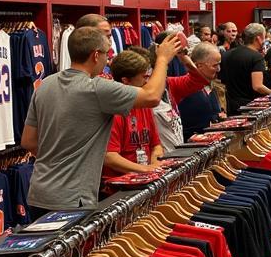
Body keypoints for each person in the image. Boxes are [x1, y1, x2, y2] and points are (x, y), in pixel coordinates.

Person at [20, 28, 182, 215]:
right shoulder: (96, 88)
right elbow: (152, 96)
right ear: (96, 55)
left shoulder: (45, 85)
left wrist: (58, 160)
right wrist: (162, 59)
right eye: (107, 53)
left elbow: (28, 141)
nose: (109, 59)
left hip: (39, 192)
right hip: (73, 198)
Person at [149, 32, 214, 151]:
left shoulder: (169, 84)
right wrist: (162, 58)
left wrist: (183, 56)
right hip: (158, 157)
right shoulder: (143, 91)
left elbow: (199, 80)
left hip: (175, 153)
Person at [103, 49, 164, 175]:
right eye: (143, 77)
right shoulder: (114, 111)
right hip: (118, 189)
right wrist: (145, 170)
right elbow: (109, 157)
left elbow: (156, 146)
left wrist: (154, 164)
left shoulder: (144, 106)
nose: (146, 82)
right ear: (126, 81)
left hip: (145, 181)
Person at [221, 23, 271, 112]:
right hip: (250, 107)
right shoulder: (256, 57)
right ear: (258, 38)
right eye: (264, 37)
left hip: (230, 106)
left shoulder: (227, 54)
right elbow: (257, 86)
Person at [177, 43, 224, 138]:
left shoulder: (210, 85)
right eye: (215, 65)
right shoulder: (184, 86)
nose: (219, 69)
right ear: (199, 66)